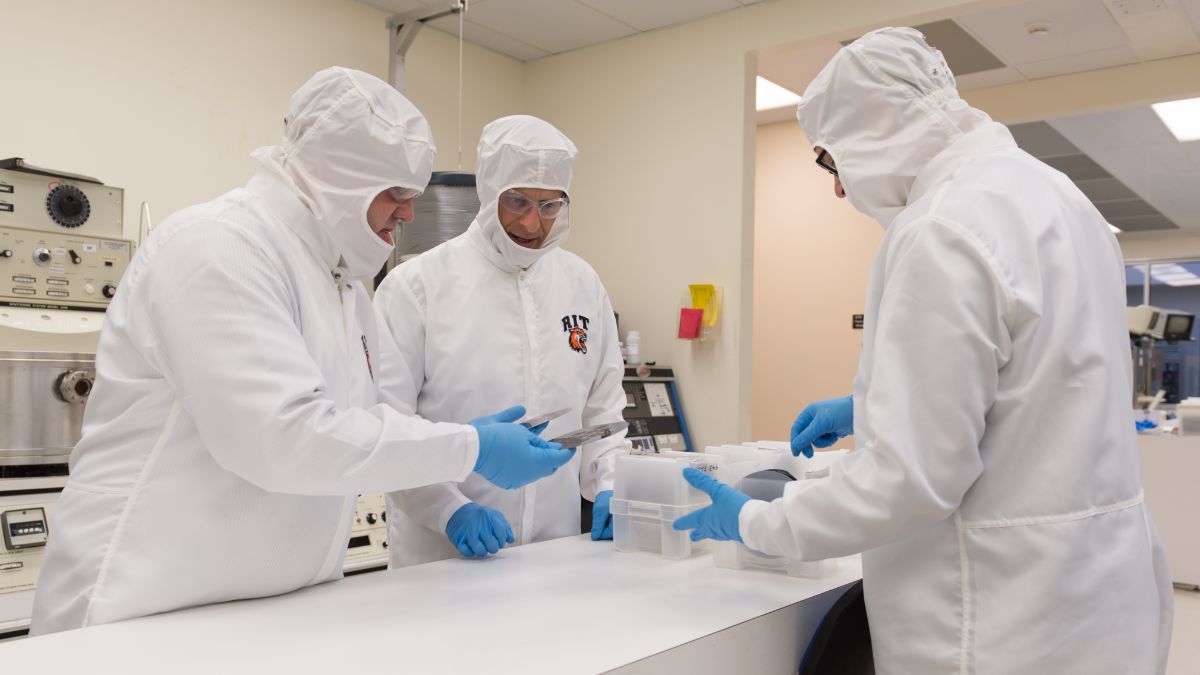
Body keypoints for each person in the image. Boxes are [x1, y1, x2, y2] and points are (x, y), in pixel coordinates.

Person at [673, 28, 1172, 674]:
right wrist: (871, 405)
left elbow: (906, 483)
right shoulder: (1059, 199)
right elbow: (1043, 382)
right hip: (1103, 599)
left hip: (999, 619)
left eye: (830, 160)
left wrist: (760, 522)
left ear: (872, 128)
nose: (837, 189)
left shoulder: (939, 228)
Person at [30, 68, 571, 635]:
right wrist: (471, 446)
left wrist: (460, 461)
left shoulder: (342, 287)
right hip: (141, 610)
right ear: (339, 178)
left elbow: (373, 423)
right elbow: (282, 439)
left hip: (271, 610)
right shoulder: (220, 246)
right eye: (396, 193)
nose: (409, 215)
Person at [375, 115, 628, 565]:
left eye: (550, 206)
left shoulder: (582, 285)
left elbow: (603, 414)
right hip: (439, 565)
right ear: (489, 194)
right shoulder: (417, 286)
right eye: (517, 202)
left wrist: (611, 485)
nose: (533, 223)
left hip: (556, 560)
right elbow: (387, 427)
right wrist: (451, 510)